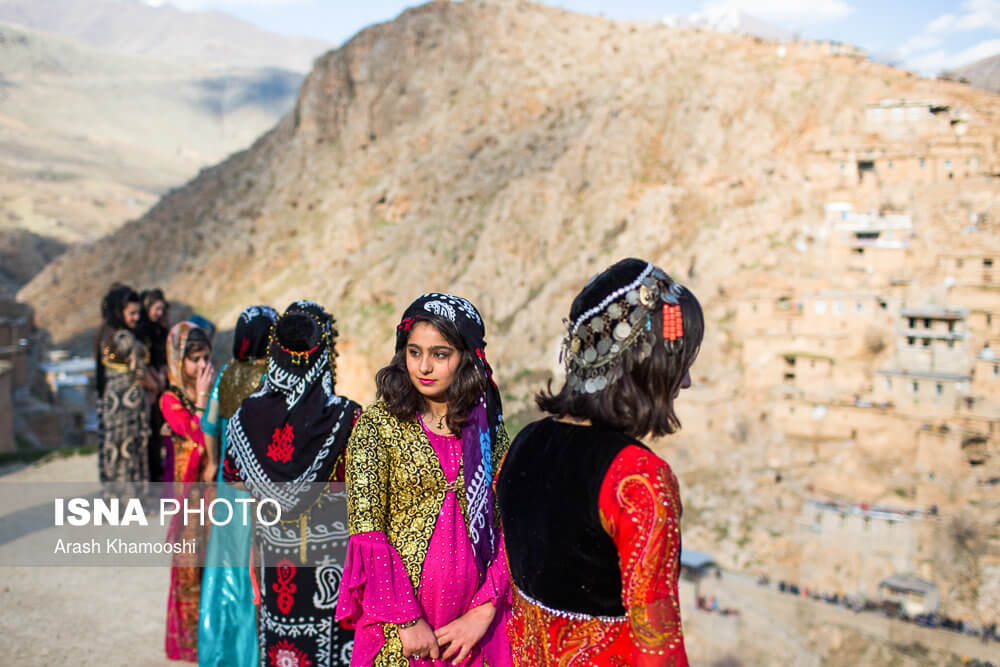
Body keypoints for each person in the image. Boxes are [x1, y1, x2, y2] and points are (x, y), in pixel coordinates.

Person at [496, 258, 703, 666]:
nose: (685, 381)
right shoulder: (638, 479)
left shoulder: (524, 445)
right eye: (678, 360)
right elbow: (657, 645)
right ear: (643, 361)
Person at [336, 293, 512, 666]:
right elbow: (367, 532)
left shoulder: (486, 429)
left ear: (466, 357)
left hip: (473, 632)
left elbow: (509, 525)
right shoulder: (377, 426)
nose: (424, 367)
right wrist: (407, 621)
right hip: (401, 630)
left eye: (440, 354)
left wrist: (483, 612)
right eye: (414, 352)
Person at [224, 303, 360, 667]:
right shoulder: (349, 417)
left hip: (275, 559)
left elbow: (235, 483)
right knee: (334, 647)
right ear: (322, 358)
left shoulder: (244, 418)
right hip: (334, 567)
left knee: (283, 644)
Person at [197, 305, 277, 667]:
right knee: (258, 570)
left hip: (229, 487)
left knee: (224, 566)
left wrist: (213, 462)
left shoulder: (227, 375)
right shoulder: (277, 377)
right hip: (264, 490)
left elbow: (209, 426)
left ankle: (222, 653)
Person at [161, 321, 216, 662]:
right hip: (189, 500)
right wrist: (200, 399)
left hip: (214, 494)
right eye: (193, 359)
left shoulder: (214, 389)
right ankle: (191, 644)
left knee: (215, 565)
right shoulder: (171, 398)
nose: (200, 366)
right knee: (189, 569)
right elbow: (196, 435)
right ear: (178, 360)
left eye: (205, 357)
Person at [95, 284, 158, 495]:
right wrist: (156, 386)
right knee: (131, 451)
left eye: (138, 312)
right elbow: (139, 371)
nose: (136, 317)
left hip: (110, 406)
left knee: (114, 453)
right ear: (118, 311)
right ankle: (133, 501)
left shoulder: (105, 334)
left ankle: (116, 501)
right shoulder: (124, 337)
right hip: (128, 408)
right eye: (131, 313)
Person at [136, 288, 170, 482]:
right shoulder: (142, 332)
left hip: (160, 387)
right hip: (148, 388)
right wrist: (155, 381)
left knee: (159, 433)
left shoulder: (160, 330)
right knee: (149, 435)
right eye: (156, 309)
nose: (159, 313)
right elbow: (143, 362)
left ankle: (158, 475)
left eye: (162, 309)